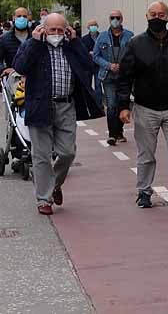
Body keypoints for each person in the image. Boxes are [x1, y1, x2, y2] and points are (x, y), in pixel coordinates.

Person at [12, 13, 103, 215]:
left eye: (60, 30)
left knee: (67, 152)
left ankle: (54, 185)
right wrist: (34, 43)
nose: (56, 34)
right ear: (43, 30)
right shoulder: (33, 45)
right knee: (42, 155)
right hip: (40, 105)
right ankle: (44, 199)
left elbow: (89, 66)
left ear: (67, 31)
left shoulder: (70, 47)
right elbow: (20, 67)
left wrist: (75, 41)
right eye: (52, 30)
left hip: (66, 106)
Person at [117, 1, 168, 209]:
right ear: (146, 16)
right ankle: (144, 191)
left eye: (161, 15)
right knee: (146, 153)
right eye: (153, 14)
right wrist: (123, 106)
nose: (157, 18)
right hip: (145, 107)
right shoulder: (135, 44)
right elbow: (125, 77)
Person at [94, 10, 133, 145]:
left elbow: (133, 55)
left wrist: (124, 66)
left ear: (122, 19)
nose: (115, 20)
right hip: (108, 76)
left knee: (122, 103)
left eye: (118, 17)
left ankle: (119, 131)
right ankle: (112, 134)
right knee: (111, 105)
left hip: (124, 77)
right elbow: (96, 56)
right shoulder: (102, 37)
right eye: (112, 17)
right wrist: (109, 65)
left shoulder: (129, 36)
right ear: (109, 19)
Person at [0, 7, 32, 77]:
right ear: (13, 17)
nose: (22, 19)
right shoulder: (3, 39)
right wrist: (3, 69)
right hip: (13, 77)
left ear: (28, 18)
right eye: (19, 16)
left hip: (32, 76)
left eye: (24, 16)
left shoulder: (35, 38)